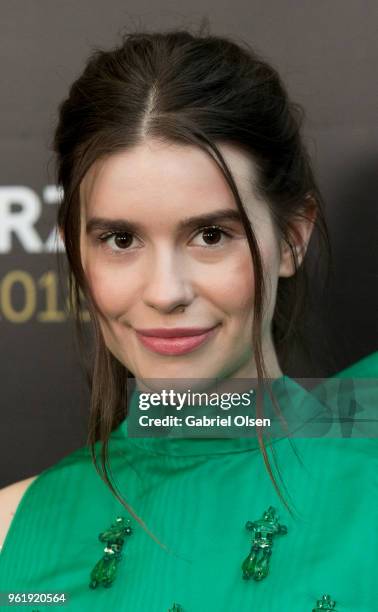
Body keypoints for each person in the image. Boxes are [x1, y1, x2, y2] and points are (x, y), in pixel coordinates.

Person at [0, 24, 376, 612]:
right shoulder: (11, 531)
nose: (165, 292)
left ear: (293, 238)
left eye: (210, 234)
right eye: (120, 239)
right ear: (77, 250)